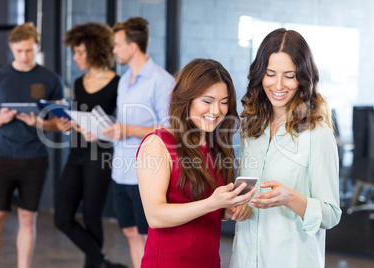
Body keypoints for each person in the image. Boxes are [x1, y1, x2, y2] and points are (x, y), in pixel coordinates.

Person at [230, 28, 342, 268]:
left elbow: (331, 214)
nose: (278, 85)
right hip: (245, 258)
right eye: (270, 74)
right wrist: (242, 205)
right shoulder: (251, 126)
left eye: (289, 76)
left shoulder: (317, 135)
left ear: (303, 78)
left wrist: (290, 198)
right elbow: (248, 187)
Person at [136, 58, 256, 268]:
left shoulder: (217, 148)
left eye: (224, 102)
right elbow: (155, 216)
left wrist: (230, 209)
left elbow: (211, 212)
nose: (216, 110)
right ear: (187, 99)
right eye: (207, 101)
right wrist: (213, 203)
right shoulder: (158, 144)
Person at [0, 22, 64, 268]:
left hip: (35, 158)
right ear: (10, 48)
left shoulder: (50, 79)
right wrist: (0, 118)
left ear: (37, 46)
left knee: (28, 219)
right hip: (2, 156)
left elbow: (60, 123)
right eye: (19, 51)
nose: (24, 56)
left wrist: (41, 123)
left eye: (29, 50)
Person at [101, 17, 174, 268]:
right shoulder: (123, 80)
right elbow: (122, 125)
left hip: (145, 175)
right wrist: (103, 131)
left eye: (117, 44)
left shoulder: (161, 81)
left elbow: (171, 130)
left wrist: (129, 130)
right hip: (120, 170)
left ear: (132, 47)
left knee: (149, 237)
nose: (114, 50)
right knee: (130, 232)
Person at [53, 22, 127, 268]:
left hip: (101, 157)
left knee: (92, 217)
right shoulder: (77, 83)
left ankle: (94, 265)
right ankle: (103, 262)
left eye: (80, 52)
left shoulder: (118, 83)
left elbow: (122, 123)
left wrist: (106, 129)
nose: (75, 57)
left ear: (95, 51)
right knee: (62, 217)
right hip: (77, 155)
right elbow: (80, 118)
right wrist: (67, 123)